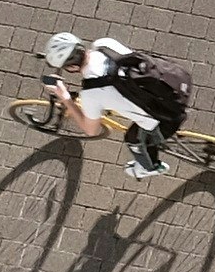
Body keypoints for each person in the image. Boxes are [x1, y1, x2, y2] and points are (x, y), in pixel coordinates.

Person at [41, 30, 195, 175]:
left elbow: (91, 131)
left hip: (168, 117)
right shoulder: (105, 45)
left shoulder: (91, 94)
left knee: (132, 139)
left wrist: (66, 98)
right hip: (175, 81)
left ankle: (149, 168)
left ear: (72, 67)